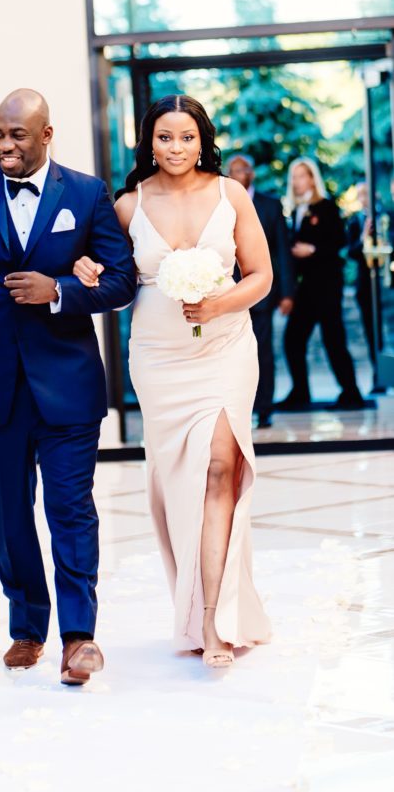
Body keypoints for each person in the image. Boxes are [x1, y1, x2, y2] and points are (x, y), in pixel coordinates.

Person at [0, 88, 136, 686]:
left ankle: (80, 638)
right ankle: (27, 627)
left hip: (66, 385)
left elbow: (120, 282)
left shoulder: (88, 194)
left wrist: (61, 291)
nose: (4, 145)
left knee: (70, 510)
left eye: (17, 135)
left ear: (46, 135)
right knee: (8, 515)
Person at [74, 94, 273, 668]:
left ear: (202, 139)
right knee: (181, 485)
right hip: (159, 360)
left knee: (218, 470)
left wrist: (219, 305)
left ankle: (215, 619)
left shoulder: (229, 194)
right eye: (165, 138)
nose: (177, 148)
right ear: (149, 142)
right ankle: (196, 605)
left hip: (227, 350)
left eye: (186, 137)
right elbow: (109, 282)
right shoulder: (129, 206)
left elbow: (260, 275)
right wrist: (83, 270)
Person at [279, 158, 365, 409]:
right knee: (293, 338)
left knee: (333, 339)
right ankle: (300, 393)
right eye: (294, 177)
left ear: (312, 178)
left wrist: (313, 249)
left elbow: (340, 243)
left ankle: (351, 393)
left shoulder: (326, 207)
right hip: (307, 287)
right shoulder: (295, 211)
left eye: (302, 176)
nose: (297, 182)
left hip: (327, 285)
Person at [227, 154, 294, 428]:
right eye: (234, 170)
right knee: (232, 354)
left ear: (252, 173)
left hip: (263, 294)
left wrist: (288, 293)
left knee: (262, 351)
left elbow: (282, 251)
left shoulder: (270, 204)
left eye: (244, 169)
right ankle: (239, 408)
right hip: (228, 293)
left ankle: (264, 408)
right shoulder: (221, 202)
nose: (240, 173)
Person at [346, 181, 383, 393]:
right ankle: (378, 374)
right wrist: (363, 238)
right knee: (371, 329)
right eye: (360, 195)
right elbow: (351, 251)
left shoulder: (387, 215)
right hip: (365, 283)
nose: (363, 198)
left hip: (385, 281)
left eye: (366, 194)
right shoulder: (355, 221)